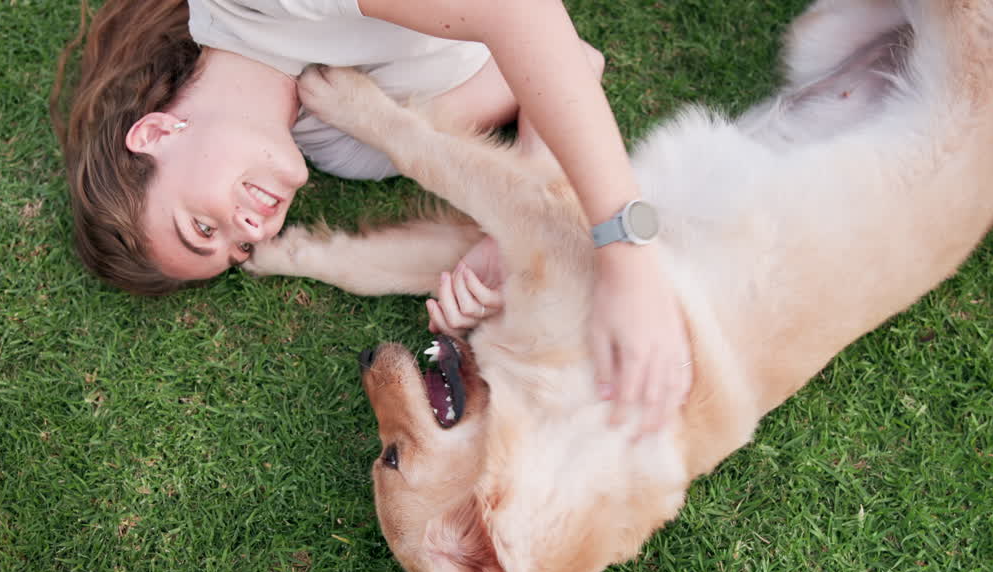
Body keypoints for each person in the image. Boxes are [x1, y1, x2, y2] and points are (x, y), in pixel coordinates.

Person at [52, 0, 690, 431]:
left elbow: (520, 13)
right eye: (240, 251)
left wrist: (626, 257)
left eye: (203, 227)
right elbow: (568, 64)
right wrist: (512, 230)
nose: (253, 232)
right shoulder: (348, 143)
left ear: (157, 133)